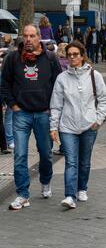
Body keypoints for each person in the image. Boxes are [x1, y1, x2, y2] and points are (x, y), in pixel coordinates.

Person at [1, 24, 62, 210]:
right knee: (20, 155)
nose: (28, 39)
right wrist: (14, 105)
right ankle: (22, 194)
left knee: (45, 153)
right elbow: (4, 84)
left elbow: (59, 85)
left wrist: (53, 109)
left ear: (39, 38)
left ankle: (45, 181)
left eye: (32, 36)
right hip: (22, 114)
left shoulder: (50, 58)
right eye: (25, 36)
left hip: (44, 113)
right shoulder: (12, 58)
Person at [49, 41, 106, 209]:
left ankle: (82, 188)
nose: (72, 57)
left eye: (76, 54)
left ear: (82, 56)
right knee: (71, 161)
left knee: (84, 161)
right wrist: (53, 127)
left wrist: (98, 120)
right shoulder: (62, 78)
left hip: (89, 126)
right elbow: (56, 104)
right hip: (67, 127)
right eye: (69, 55)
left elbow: (104, 99)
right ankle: (69, 195)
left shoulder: (94, 75)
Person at [1, 35, 16, 149]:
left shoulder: (7, 55)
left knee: (10, 117)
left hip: (10, 91)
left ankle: (10, 139)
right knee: (10, 117)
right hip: (11, 92)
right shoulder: (11, 56)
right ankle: (10, 139)